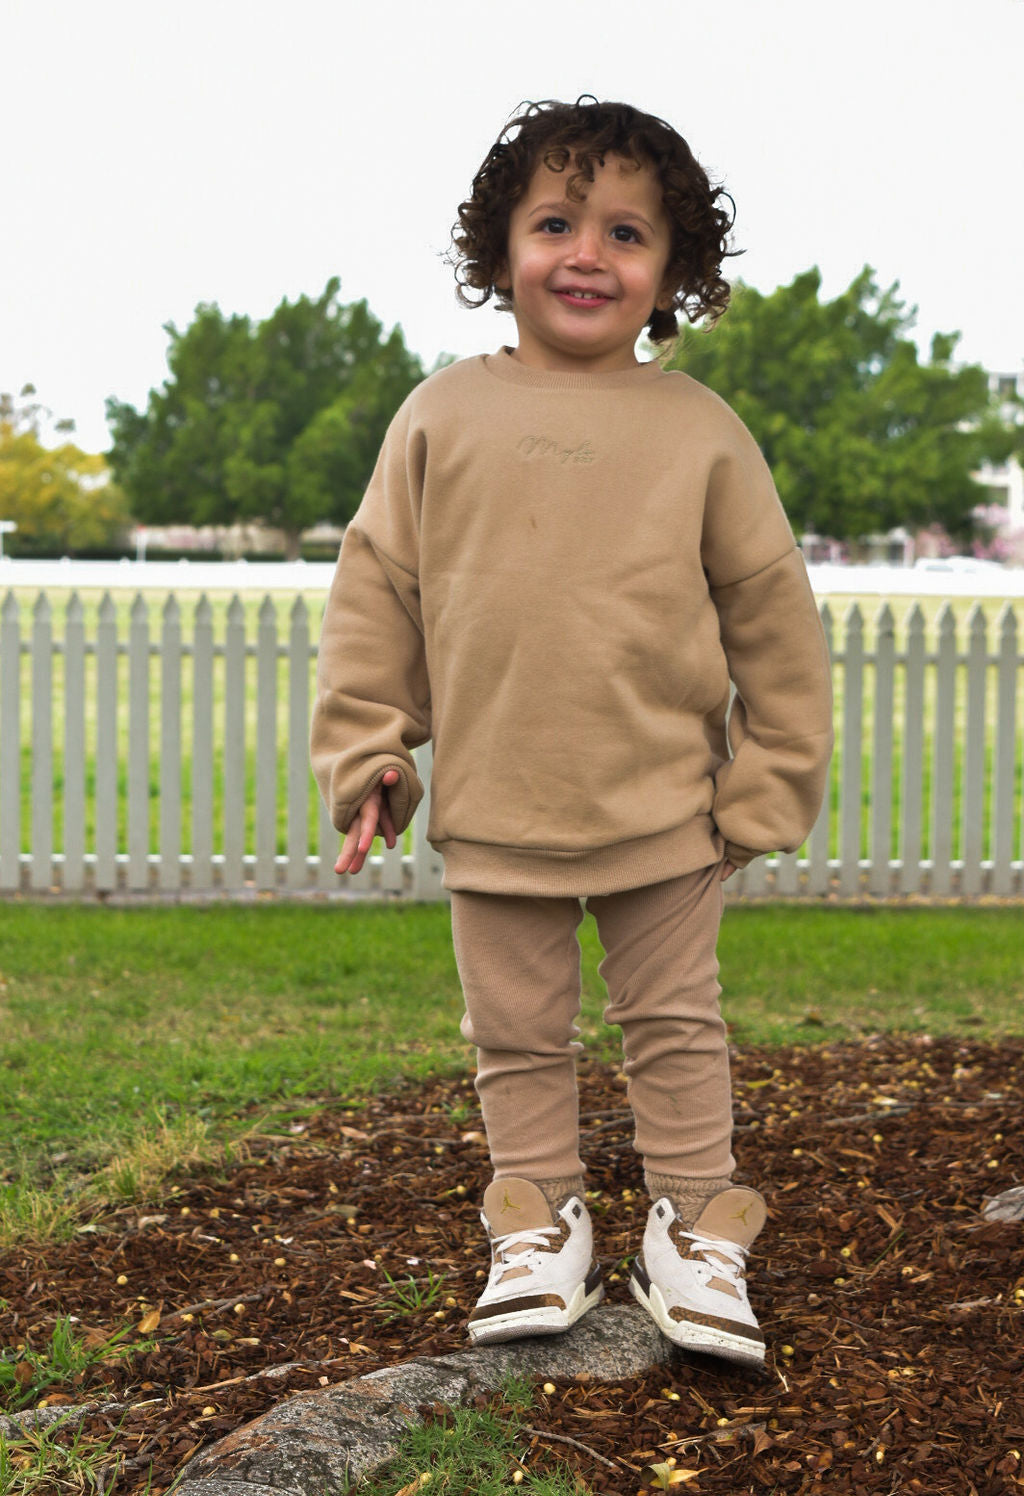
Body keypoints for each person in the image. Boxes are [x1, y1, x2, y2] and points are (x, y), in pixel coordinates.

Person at [311, 97, 833, 1369]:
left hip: (665, 810)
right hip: (497, 808)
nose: (587, 253)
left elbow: (774, 620)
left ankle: (698, 1229)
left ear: (673, 272)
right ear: (499, 252)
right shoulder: (438, 417)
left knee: (676, 1025)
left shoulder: (702, 431)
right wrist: (374, 750)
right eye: (555, 223)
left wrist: (764, 788)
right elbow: (377, 594)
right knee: (515, 1036)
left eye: (625, 231)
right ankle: (538, 1221)